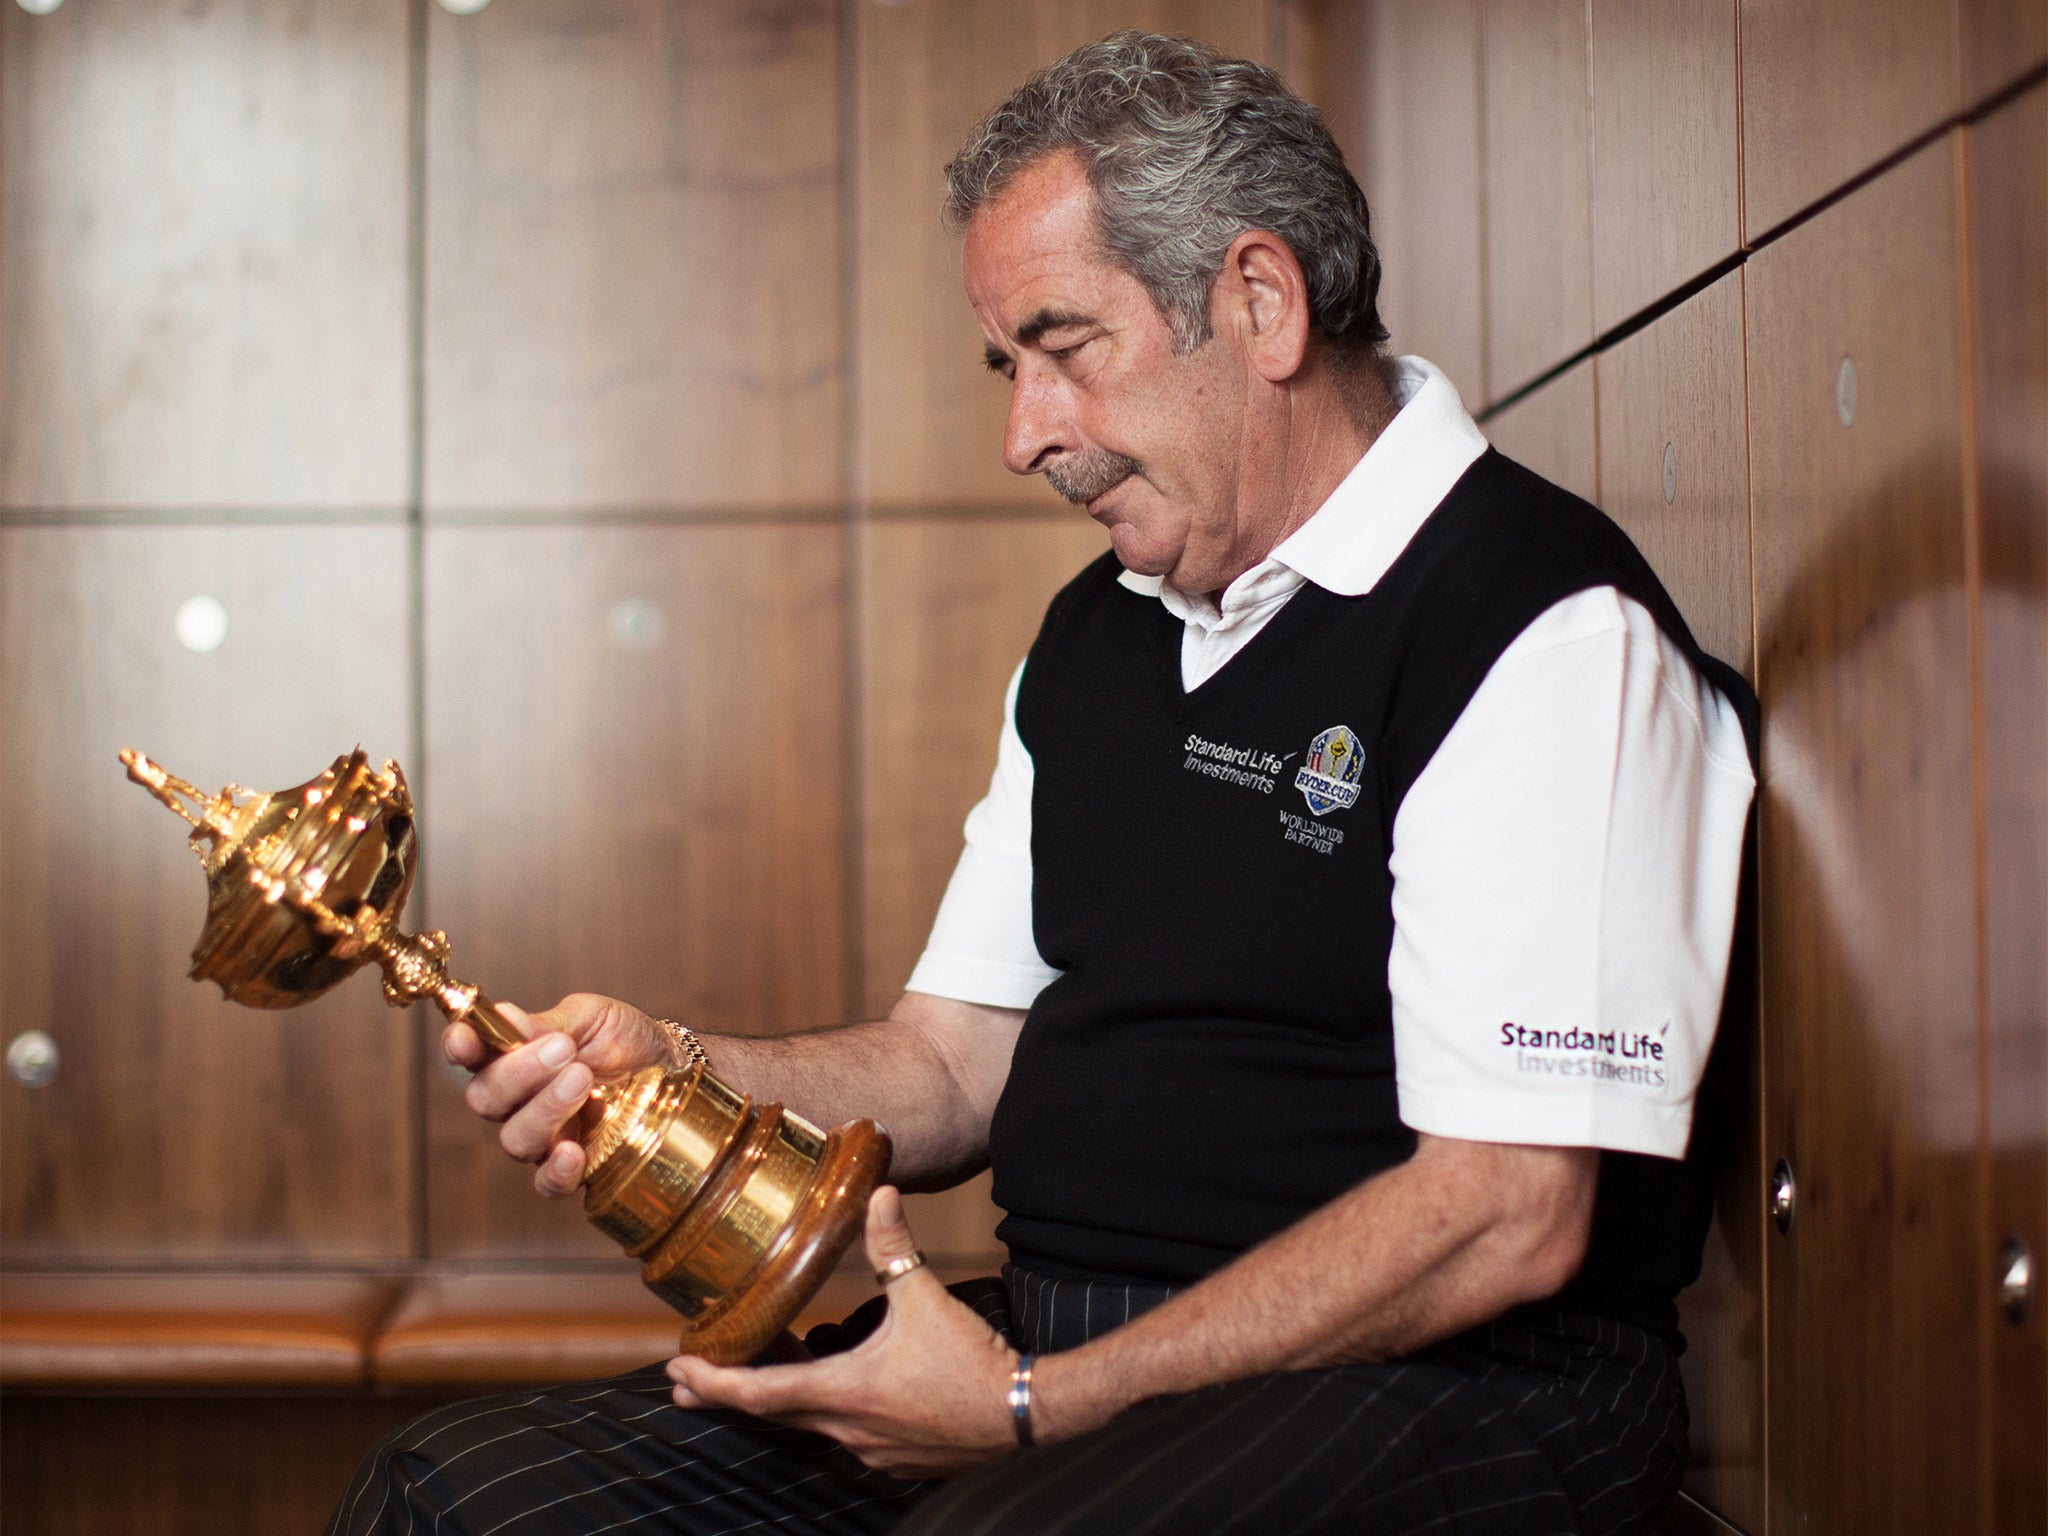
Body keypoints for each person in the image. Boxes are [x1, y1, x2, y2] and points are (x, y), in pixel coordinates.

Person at [329, 31, 1756, 1536]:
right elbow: (951, 1071)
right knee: (453, 1504)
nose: (1026, 436)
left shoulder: (1538, 623)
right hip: (1070, 1345)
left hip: (1454, 1378)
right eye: (1009, 369)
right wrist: (669, 1064)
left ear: (1259, 304)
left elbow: (1509, 1217)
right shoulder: (1094, 638)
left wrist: (1031, 1413)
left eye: (1066, 352)